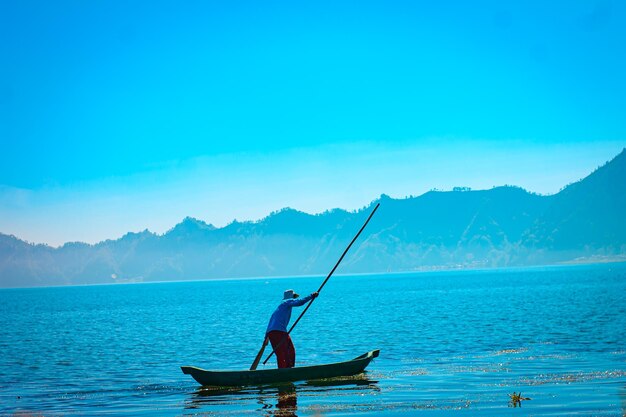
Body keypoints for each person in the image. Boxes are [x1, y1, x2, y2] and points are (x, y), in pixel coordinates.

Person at [264, 289, 319, 368]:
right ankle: (287, 369)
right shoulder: (287, 302)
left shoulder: (279, 307)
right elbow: (300, 302)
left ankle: (284, 369)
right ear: (290, 297)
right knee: (287, 351)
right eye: (293, 297)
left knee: (283, 352)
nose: (294, 299)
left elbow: (270, 323)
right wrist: (311, 296)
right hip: (279, 331)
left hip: (272, 333)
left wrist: (266, 337)